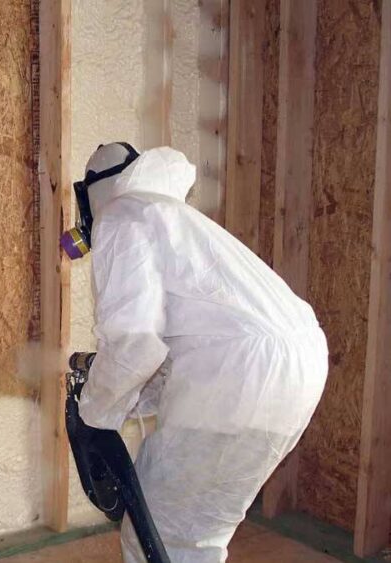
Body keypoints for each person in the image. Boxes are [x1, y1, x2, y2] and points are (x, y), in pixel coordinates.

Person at [66, 143, 328, 563]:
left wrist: (93, 413)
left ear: (90, 199)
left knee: (163, 535)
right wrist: (111, 392)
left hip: (237, 371)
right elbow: (176, 356)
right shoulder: (177, 220)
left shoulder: (120, 215)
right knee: (197, 530)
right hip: (301, 362)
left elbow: (135, 345)